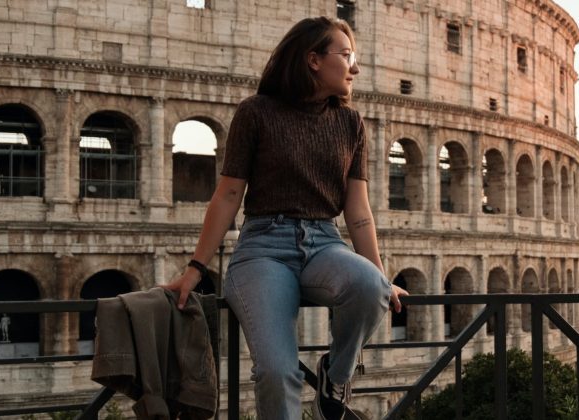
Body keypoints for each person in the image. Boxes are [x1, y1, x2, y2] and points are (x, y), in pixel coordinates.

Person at [161, 16, 406, 420]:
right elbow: (228, 195)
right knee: (276, 371)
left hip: (324, 243)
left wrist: (381, 278)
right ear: (313, 60)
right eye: (347, 56)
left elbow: (358, 210)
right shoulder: (256, 112)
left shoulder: (351, 123)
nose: (356, 68)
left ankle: (336, 376)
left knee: (370, 287)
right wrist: (195, 268)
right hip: (263, 248)